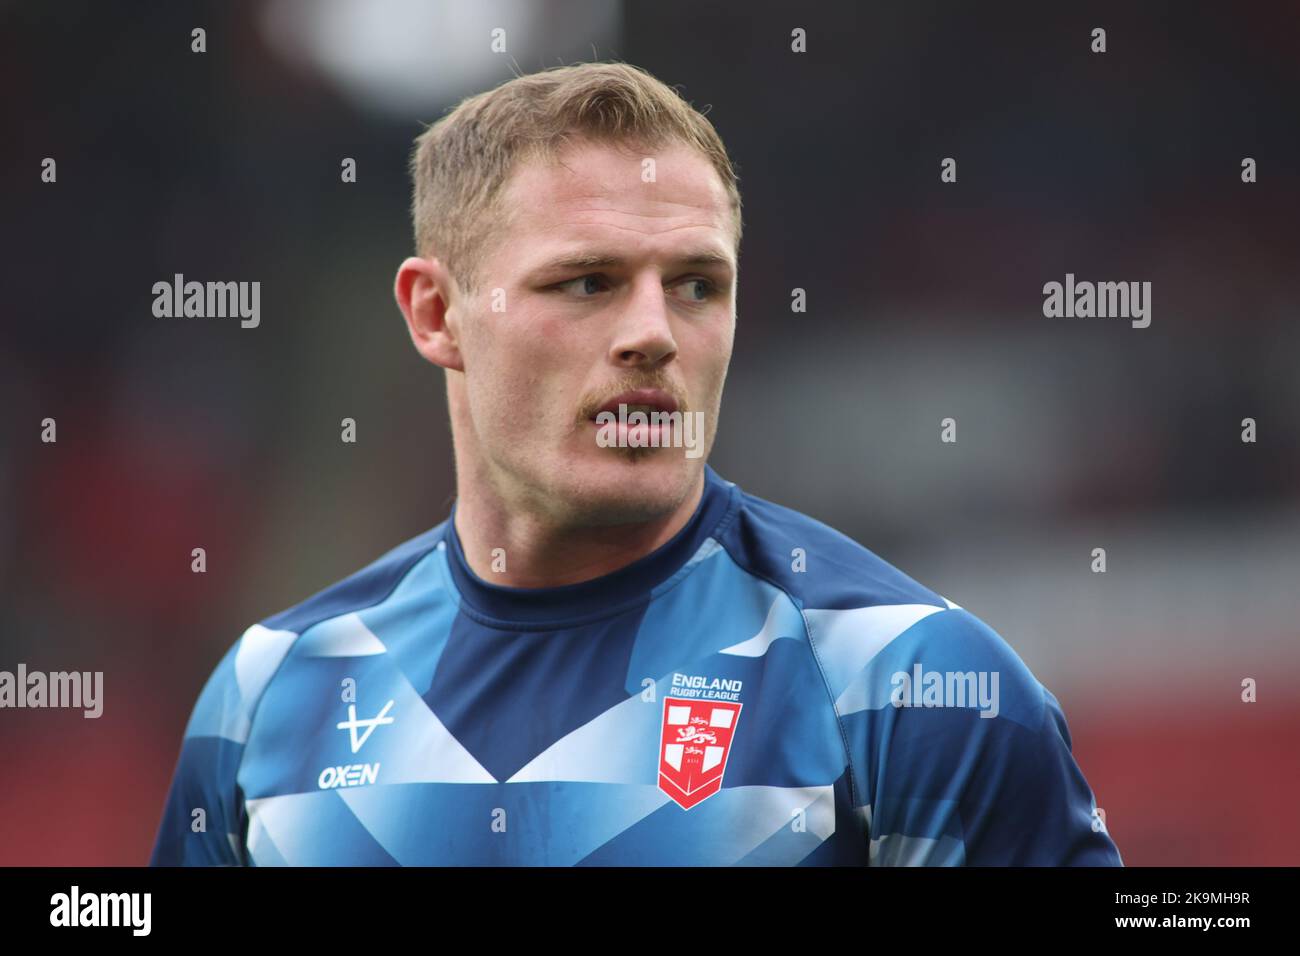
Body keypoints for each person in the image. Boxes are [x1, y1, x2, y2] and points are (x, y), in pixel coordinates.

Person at [150, 61, 1121, 866]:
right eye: (587, 281)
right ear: (435, 314)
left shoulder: (908, 683)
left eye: (698, 283)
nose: (653, 334)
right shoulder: (269, 695)